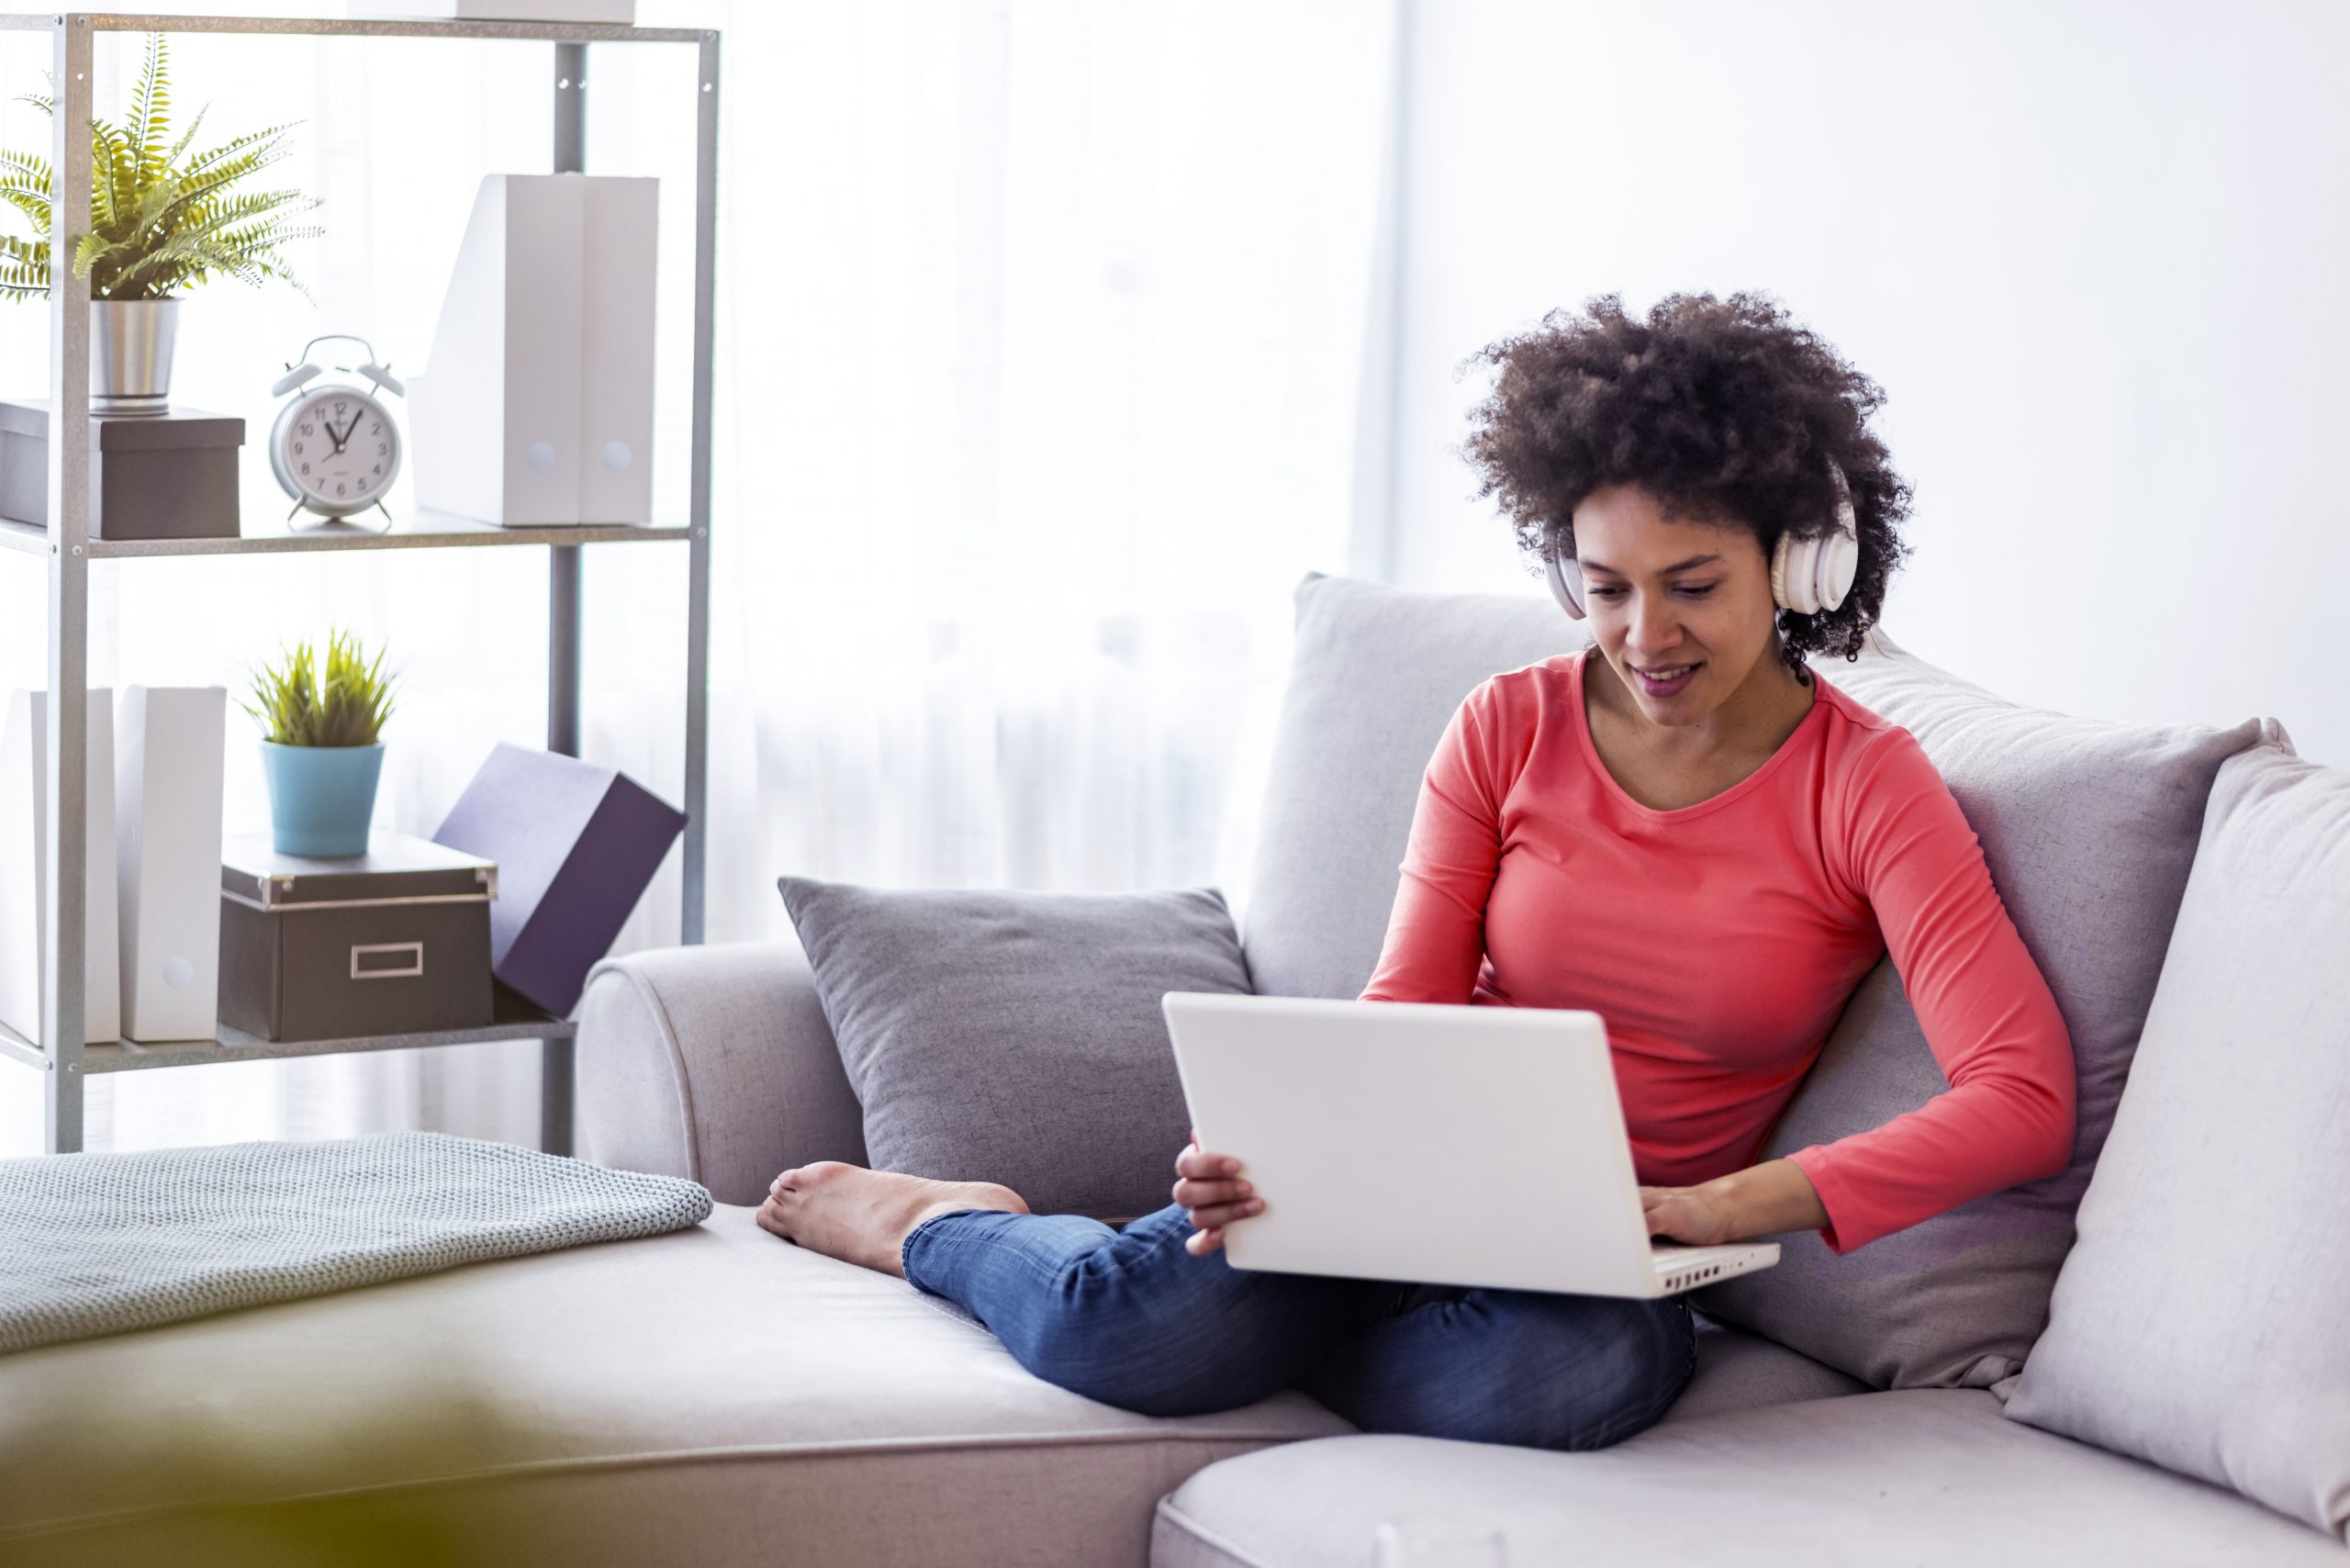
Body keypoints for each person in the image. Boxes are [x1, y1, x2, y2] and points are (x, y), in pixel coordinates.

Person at [756, 291, 2077, 1452]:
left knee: (1563, 1376)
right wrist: (1289, 1161)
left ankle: (1249, 1338)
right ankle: (940, 1221)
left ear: (1798, 561)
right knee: (1120, 1336)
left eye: (1692, 586)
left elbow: (2021, 1095)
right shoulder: (1508, 724)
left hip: (1601, 1269)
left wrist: (1725, 1206)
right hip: (1405, 1190)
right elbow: (1408, 1011)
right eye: (1605, 587)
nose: (1644, 636)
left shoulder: (1867, 783)